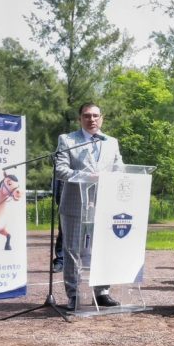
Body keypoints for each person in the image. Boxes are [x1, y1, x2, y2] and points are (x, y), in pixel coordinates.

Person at [54, 103, 124, 310]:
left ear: (101, 118)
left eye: (95, 116)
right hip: (75, 204)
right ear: (80, 119)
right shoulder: (67, 140)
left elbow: (119, 168)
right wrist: (86, 176)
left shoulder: (111, 142)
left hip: (104, 205)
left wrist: (115, 176)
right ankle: (74, 295)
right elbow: (60, 170)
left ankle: (102, 292)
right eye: (86, 116)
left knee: (103, 249)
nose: (91, 119)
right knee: (72, 250)